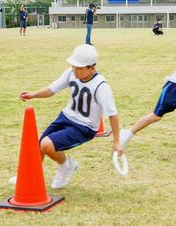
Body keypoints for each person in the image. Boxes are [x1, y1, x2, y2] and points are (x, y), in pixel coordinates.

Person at [12, 44, 124, 189]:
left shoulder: (101, 86)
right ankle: (26, 177)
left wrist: (116, 142)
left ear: (92, 68)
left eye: (79, 67)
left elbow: (113, 115)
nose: (74, 70)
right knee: (38, 145)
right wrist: (33, 94)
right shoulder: (70, 73)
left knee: (46, 145)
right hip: (66, 117)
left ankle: (67, 166)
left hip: (85, 127)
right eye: (73, 66)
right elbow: (52, 89)